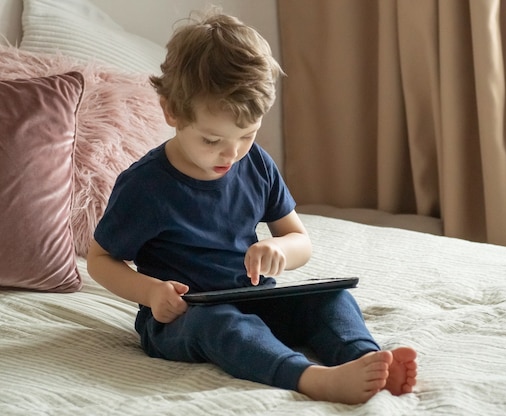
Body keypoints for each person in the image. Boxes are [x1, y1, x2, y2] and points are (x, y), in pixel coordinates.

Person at [86, 9, 417, 405]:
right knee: (223, 324)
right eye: (212, 140)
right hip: (183, 317)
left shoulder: (255, 162)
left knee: (332, 299)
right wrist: (152, 291)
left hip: (256, 300)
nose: (232, 152)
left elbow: (299, 239)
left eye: (247, 134)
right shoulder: (145, 186)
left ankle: (365, 359)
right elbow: (99, 259)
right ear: (171, 111)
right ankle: (311, 379)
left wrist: (278, 250)